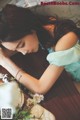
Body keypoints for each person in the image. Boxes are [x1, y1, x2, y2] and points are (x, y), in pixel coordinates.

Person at [0, 4, 80, 94]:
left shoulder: (66, 39)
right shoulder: (40, 30)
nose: (23, 52)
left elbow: (39, 88)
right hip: (66, 76)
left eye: (22, 45)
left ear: (30, 28)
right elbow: (5, 52)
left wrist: (5, 62)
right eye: (16, 49)